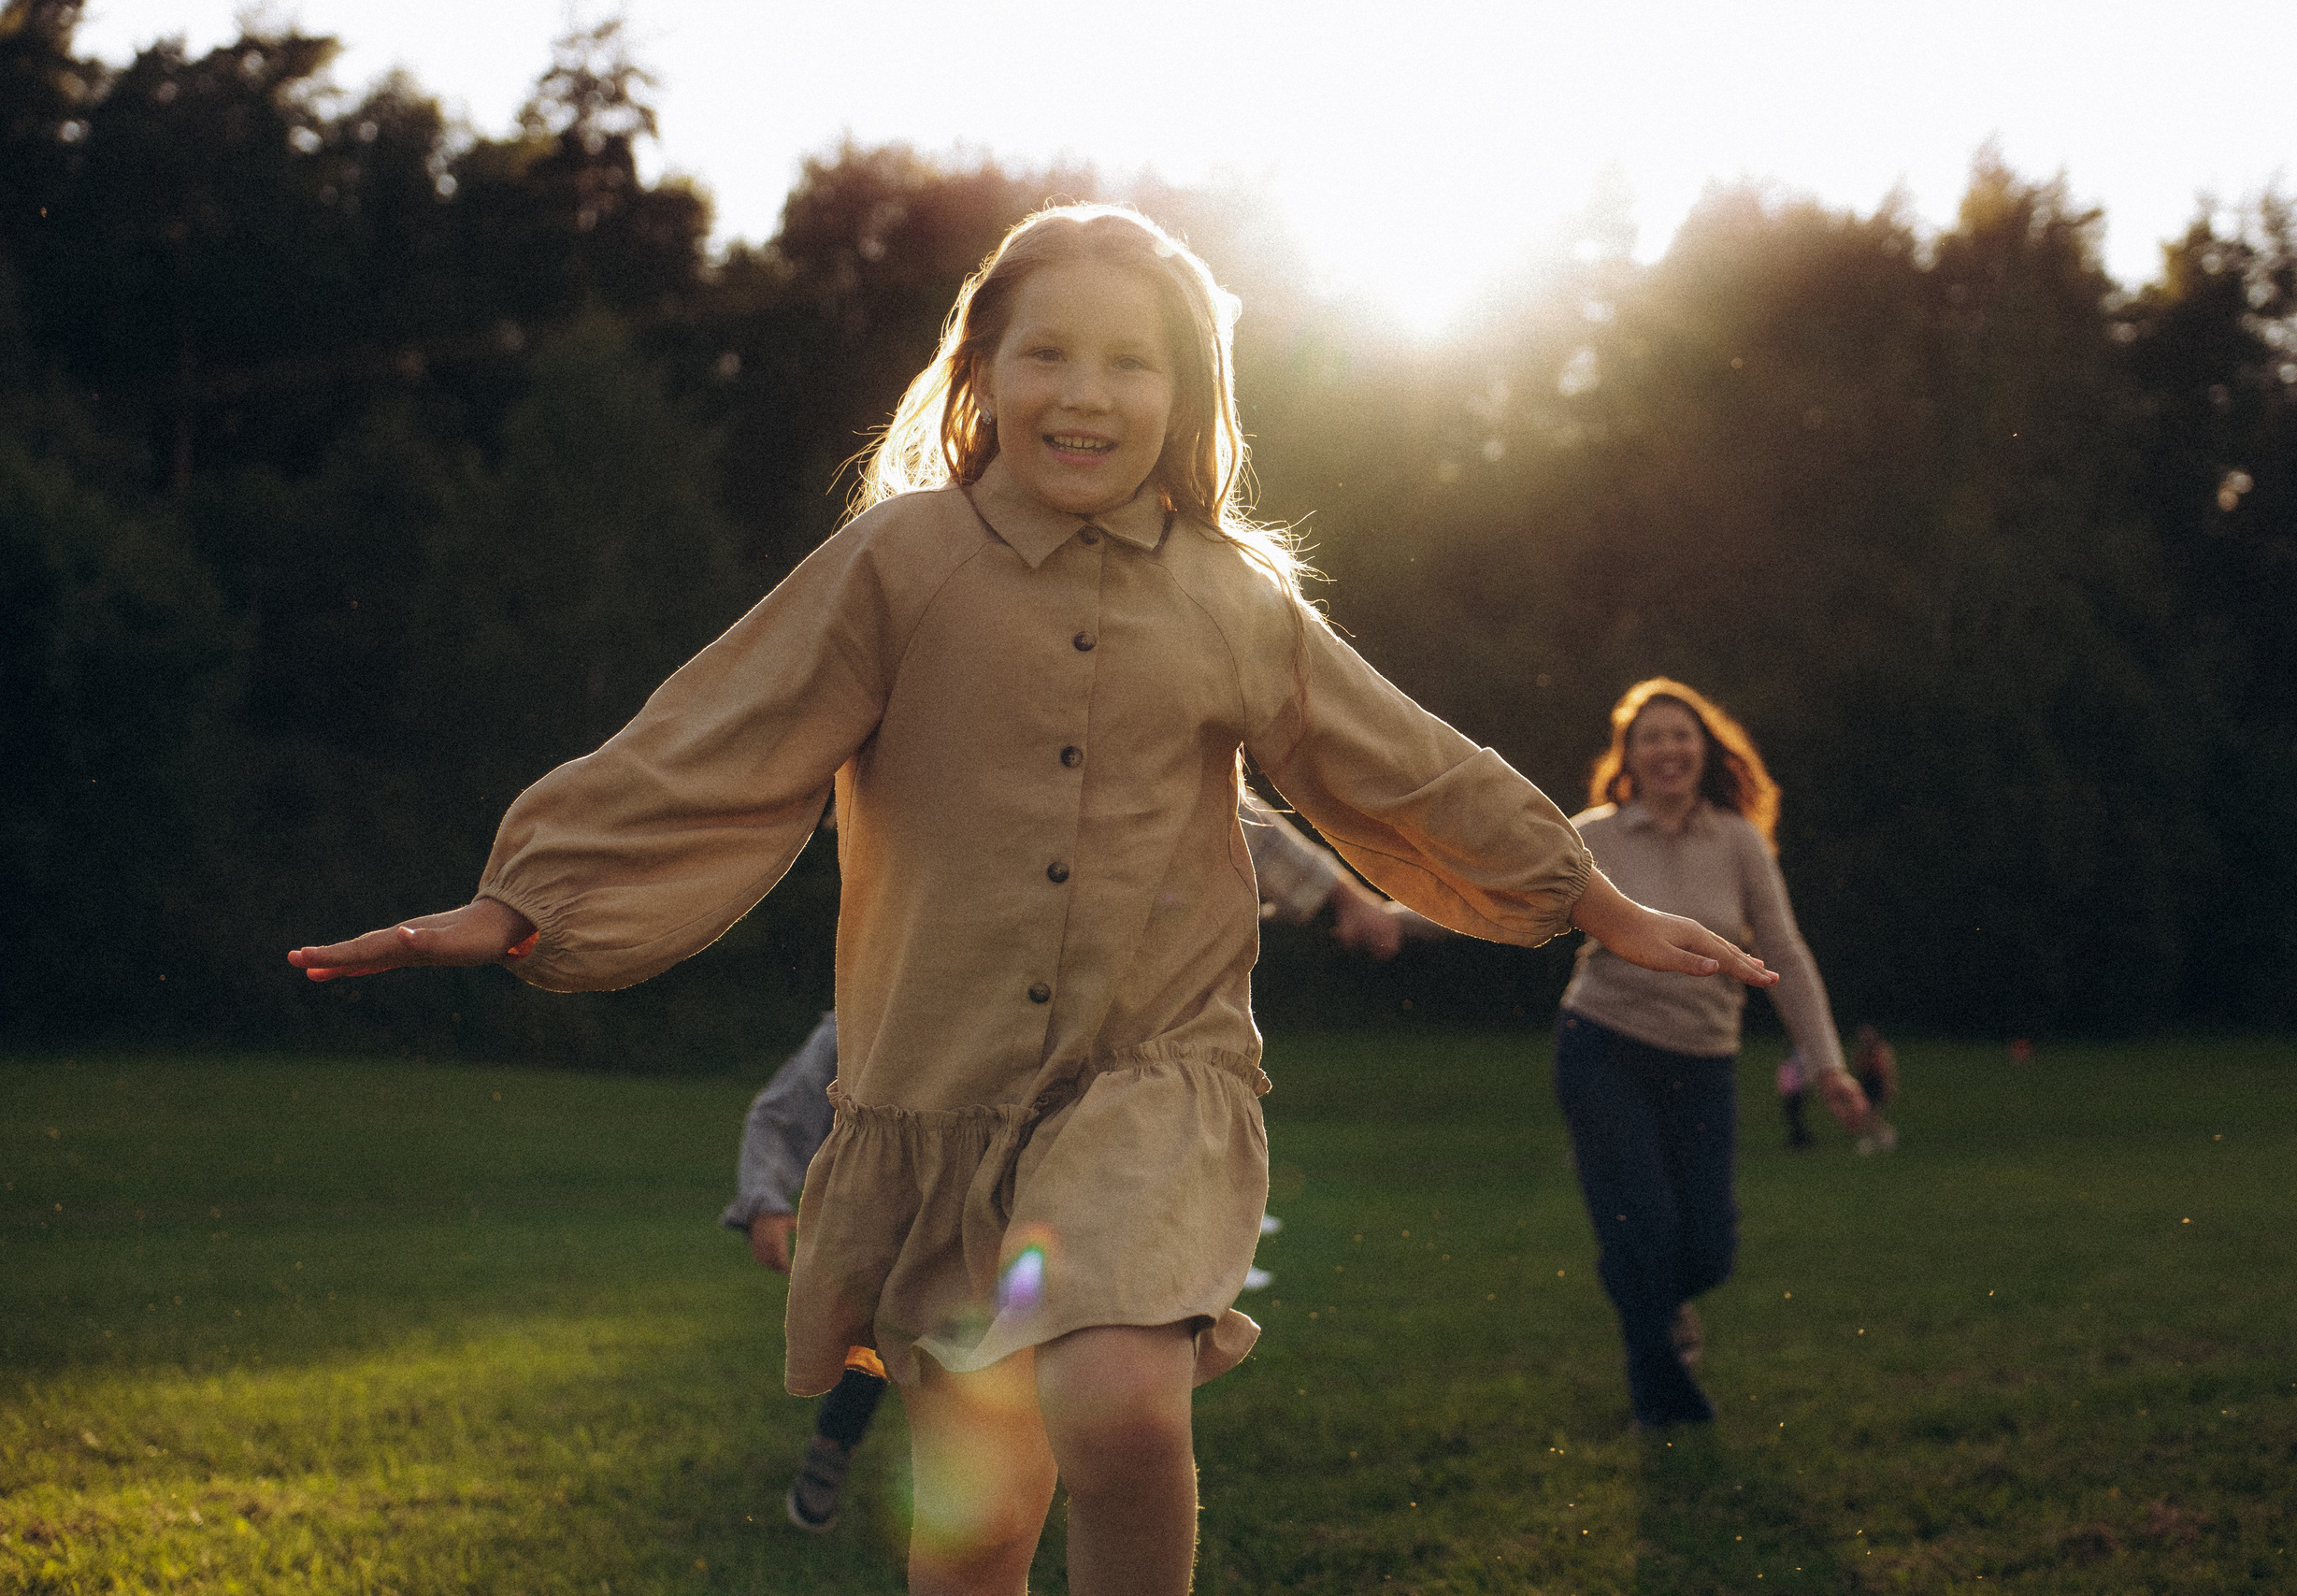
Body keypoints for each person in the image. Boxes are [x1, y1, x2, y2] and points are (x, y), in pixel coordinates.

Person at [288, 205, 1771, 1594]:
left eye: (1135, 361)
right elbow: (719, 739)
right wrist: (520, 898)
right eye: (1049, 350)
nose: (1089, 390)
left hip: (1155, 1075)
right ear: (982, 369)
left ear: (1187, 396)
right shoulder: (900, 563)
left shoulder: (1233, 597)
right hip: (941, 1102)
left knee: (1117, 1389)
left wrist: (1592, 898)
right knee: (978, 1530)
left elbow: (1401, 764)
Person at [725, 798, 1402, 1534]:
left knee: (1028, 1351)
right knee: (895, 1347)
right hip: (927, 1213)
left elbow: (1196, 796)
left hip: (1053, 1197)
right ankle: (846, 1448)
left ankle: (1013, 1478)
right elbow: (783, 1112)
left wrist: (1343, 895)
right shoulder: (869, 1018)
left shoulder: (1089, 796)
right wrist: (765, 1198)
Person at [1553, 677, 1869, 1429]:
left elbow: (1784, 949)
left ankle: (1640, 1281)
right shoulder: (1592, 835)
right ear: (1628, 755)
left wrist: (1827, 1066)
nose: (1669, 747)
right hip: (1604, 1047)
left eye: (1681, 733)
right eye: (1652, 735)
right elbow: (1501, 891)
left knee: (1707, 1249)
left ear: (1705, 749)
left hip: (1704, 1060)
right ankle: (1665, 1401)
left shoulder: (1738, 840)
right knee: (1647, 1231)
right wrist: (1389, 919)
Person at [1849, 1024, 1899, 1153]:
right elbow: (1859, 1069)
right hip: (1865, 1084)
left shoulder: (1881, 1050)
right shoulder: (1862, 1052)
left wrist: (1888, 1086)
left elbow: (1885, 1071)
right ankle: (1880, 1137)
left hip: (1876, 1084)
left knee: (1870, 1114)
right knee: (1866, 1114)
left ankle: (1884, 1136)